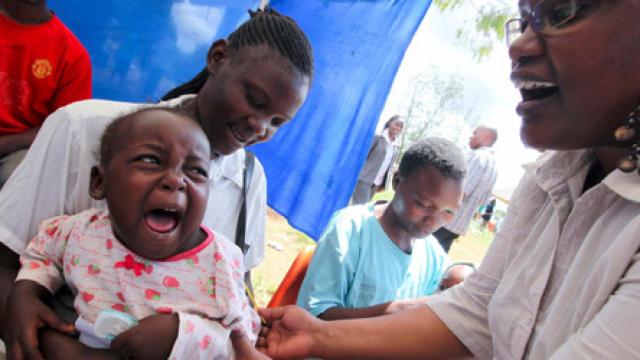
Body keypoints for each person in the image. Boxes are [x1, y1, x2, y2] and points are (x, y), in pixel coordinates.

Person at [257, 1, 640, 358]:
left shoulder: (433, 256)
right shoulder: (547, 180)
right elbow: (476, 314)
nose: (520, 45)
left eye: (562, 12)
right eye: (522, 21)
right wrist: (317, 336)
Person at [0, 8, 313, 359]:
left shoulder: (248, 180)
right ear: (218, 57)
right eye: (254, 101)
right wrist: (56, 343)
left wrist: (186, 335)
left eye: (276, 122)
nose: (260, 127)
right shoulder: (82, 129)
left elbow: (238, 306)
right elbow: (8, 261)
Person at [7, 107, 260, 359]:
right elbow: (43, 254)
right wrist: (27, 292)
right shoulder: (81, 231)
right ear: (99, 183)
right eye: (151, 160)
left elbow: (243, 341)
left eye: (196, 171)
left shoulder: (219, 262)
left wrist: (181, 335)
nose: (176, 180)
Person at [297, 138, 463, 320]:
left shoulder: (434, 256)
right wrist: (398, 310)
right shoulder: (352, 228)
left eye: (448, 211)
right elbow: (315, 314)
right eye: (423, 204)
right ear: (397, 181)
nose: (433, 221)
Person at [0, 0, 92, 188]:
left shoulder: (72, 56)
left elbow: (63, 127)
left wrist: (6, 144)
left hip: (18, 147)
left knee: (21, 181)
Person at [433, 125, 497, 252]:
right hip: (458, 223)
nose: (471, 136)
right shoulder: (494, 166)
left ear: (485, 137)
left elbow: (459, 191)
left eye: (475, 133)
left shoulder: (478, 157)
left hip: (444, 220)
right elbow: (484, 202)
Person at [351, 115, 404, 204]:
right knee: (360, 207)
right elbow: (363, 156)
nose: (398, 128)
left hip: (377, 183)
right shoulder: (378, 137)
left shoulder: (396, 145)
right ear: (390, 123)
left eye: (400, 127)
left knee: (361, 207)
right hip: (364, 179)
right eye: (396, 124)